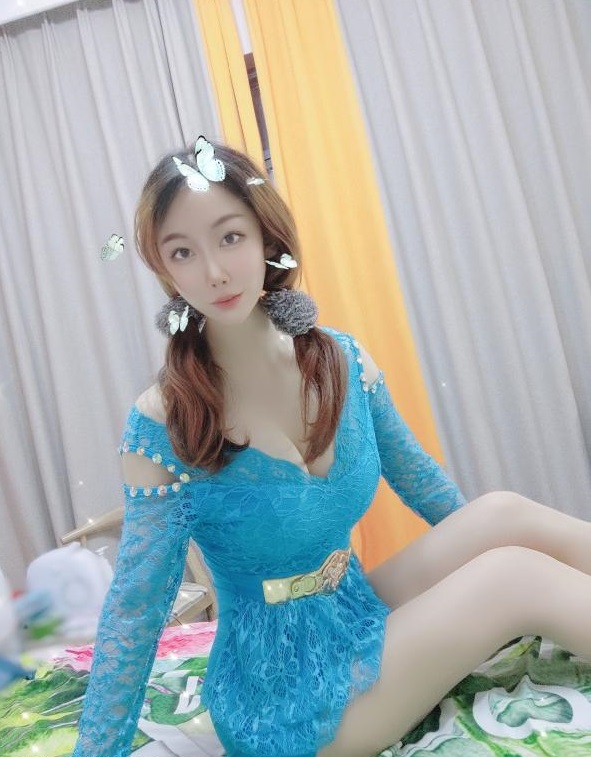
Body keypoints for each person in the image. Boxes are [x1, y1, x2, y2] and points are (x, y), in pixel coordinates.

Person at [72, 137, 591, 757]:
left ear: (266, 237)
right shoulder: (165, 422)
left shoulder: (340, 361)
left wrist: (465, 604)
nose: (213, 272)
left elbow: (423, 485)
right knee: (513, 577)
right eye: (183, 251)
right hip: (282, 696)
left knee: (501, 515)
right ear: (166, 268)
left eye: (229, 237)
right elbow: (135, 611)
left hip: (351, 606)